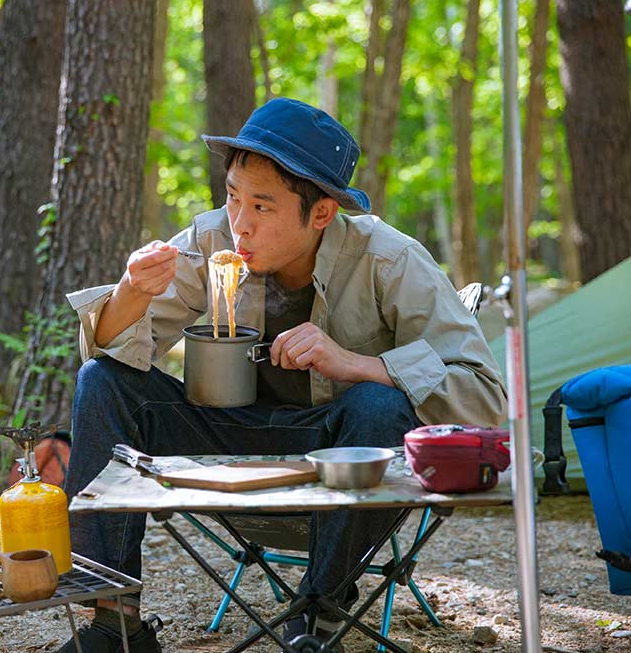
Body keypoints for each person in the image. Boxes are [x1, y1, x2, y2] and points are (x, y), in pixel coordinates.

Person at [55, 98, 507, 653]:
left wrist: (357, 364)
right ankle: (113, 622)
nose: (239, 224)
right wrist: (132, 292)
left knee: (381, 406)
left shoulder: (389, 260)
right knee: (102, 381)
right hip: (228, 438)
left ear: (321, 213)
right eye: (232, 197)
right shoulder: (211, 240)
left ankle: (317, 613)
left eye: (263, 207)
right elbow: (110, 349)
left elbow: (484, 396)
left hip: (336, 451)